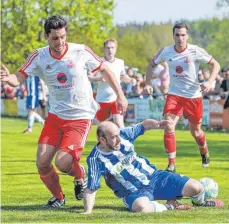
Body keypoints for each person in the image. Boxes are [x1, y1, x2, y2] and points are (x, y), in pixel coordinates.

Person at [0, 14, 127, 208]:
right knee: (42, 163)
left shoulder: (80, 51)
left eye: (62, 37)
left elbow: (105, 70)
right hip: (55, 117)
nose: (60, 42)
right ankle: (59, 198)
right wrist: (7, 78)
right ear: (46, 36)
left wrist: (121, 95)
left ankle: (80, 174)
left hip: (80, 117)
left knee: (62, 162)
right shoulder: (39, 56)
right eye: (55, 38)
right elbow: (19, 76)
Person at [82, 120, 224, 214]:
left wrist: (157, 124)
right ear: (102, 140)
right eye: (114, 137)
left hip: (156, 177)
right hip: (135, 192)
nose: (119, 139)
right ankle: (171, 206)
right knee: (141, 207)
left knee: (197, 187)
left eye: (118, 135)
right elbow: (91, 187)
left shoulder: (124, 135)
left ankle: (200, 202)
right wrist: (88, 211)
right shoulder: (95, 159)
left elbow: (143, 126)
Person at [144, 23, 220, 172]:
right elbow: (150, 65)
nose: (180, 38)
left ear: (187, 36)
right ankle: (171, 164)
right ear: (173, 36)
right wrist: (147, 83)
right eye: (177, 35)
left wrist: (210, 81)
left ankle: (204, 151)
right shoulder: (166, 51)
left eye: (183, 35)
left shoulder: (195, 51)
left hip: (193, 97)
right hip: (174, 95)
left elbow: (215, 64)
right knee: (168, 125)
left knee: (196, 132)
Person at [88, 38, 136, 128]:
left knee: (119, 123)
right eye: (108, 48)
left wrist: (130, 79)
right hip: (102, 99)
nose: (110, 50)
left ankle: (124, 141)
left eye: (112, 48)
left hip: (117, 98)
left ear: (116, 49)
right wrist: (99, 78)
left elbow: (122, 76)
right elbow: (89, 77)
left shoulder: (120, 62)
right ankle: (103, 142)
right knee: (102, 126)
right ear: (104, 49)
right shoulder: (98, 62)